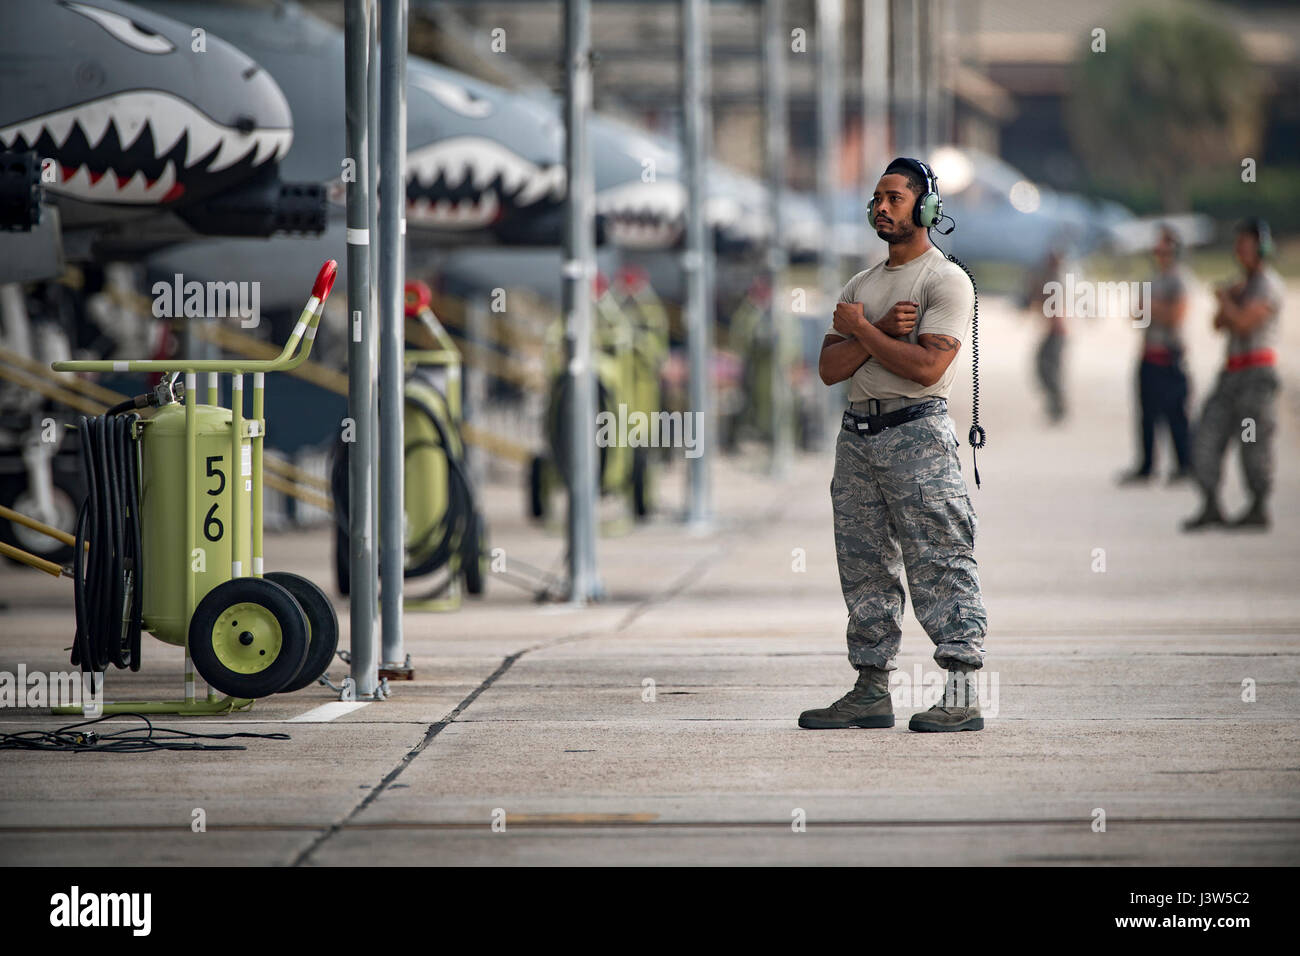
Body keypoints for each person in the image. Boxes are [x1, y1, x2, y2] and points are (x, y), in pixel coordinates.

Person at [799, 157, 986, 733]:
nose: (880, 207)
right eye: (876, 198)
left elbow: (928, 367)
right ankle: (871, 689)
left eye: (895, 198)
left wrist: (863, 329)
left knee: (939, 558)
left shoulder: (944, 280)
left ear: (926, 208)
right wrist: (873, 329)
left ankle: (960, 693)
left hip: (916, 433)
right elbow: (830, 368)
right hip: (857, 437)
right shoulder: (862, 286)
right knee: (863, 565)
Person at [1183, 219, 1284, 531]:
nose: (1240, 251)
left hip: (1257, 375)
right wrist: (1229, 301)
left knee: (1253, 442)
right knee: (1206, 436)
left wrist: (1227, 300)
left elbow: (1242, 323)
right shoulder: (1241, 285)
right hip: (1231, 373)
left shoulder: (1268, 285)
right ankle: (1210, 502)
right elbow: (1218, 324)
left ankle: (1258, 505)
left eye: (1246, 245)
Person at [1119, 226, 1193, 484]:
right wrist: (1152, 309)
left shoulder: (1180, 279)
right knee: (1146, 415)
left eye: (1164, 249)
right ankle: (1147, 466)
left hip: (1170, 356)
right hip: (1149, 354)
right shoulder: (1150, 280)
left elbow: (1176, 316)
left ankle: (1184, 465)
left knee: (1176, 414)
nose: (1160, 254)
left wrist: (1151, 308)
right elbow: (1138, 318)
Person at [1025, 248, 1068, 423]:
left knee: (1049, 370)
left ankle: (1058, 407)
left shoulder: (1057, 280)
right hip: (1052, 332)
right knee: (1045, 369)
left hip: (1057, 333)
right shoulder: (1051, 278)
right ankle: (1056, 406)